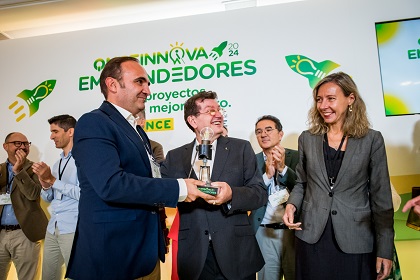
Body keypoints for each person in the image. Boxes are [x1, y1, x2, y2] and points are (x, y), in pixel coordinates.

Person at [66, 56, 214, 280]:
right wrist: (180, 189)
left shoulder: (136, 130)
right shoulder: (94, 122)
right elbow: (111, 185)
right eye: (140, 82)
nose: (148, 90)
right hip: (113, 257)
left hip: (144, 254)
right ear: (113, 85)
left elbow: (149, 178)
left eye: (148, 83)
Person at [282, 72, 394, 280]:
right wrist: (292, 205)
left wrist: (385, 249)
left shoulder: (372, 140)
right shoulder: (307, 139)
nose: (323, 105)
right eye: (319, 99)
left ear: (350, 99)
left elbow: (382, 198)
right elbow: (302, 182)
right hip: (312, 236)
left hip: (355, 237)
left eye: (331, 99)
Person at [161, 90, 267, 280]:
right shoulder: (174, 157)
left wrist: (231, 194)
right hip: (194, 256)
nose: (218, 114)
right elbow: (162, 194)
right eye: (210, 111)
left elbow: (259, 194)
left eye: (219, 109)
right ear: (193, 121)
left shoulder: (241, 148)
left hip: (236, 253)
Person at [250, 115, 298, 280]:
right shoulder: (251, 161)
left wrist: (283, 168)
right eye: (259, 131)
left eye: (268, 130)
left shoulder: (298, 157)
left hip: (293, 232)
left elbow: (303, 187)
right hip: (264, 231)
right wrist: (268, 175)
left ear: (280, 134)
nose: (263, 134)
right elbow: (250, 194)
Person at [32, 114, 80, 280]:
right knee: (48, 276)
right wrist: (45, 183)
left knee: (76, 275)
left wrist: (52, 180)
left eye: (55, 131)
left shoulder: (82, 160)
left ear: (70, 132)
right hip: (53, 227)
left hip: (73, 227)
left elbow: (84, 194)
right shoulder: (57, 163)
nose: (51, 136)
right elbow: (48, 198)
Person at [0, 132, 48, 280]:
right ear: (5, 146)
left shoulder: (36, 168)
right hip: (1, 234)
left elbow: (33, 194)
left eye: (26, 144)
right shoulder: (0, 169)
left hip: (25, 234)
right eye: (18, 143)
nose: (23, 147)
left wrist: (19, 171)